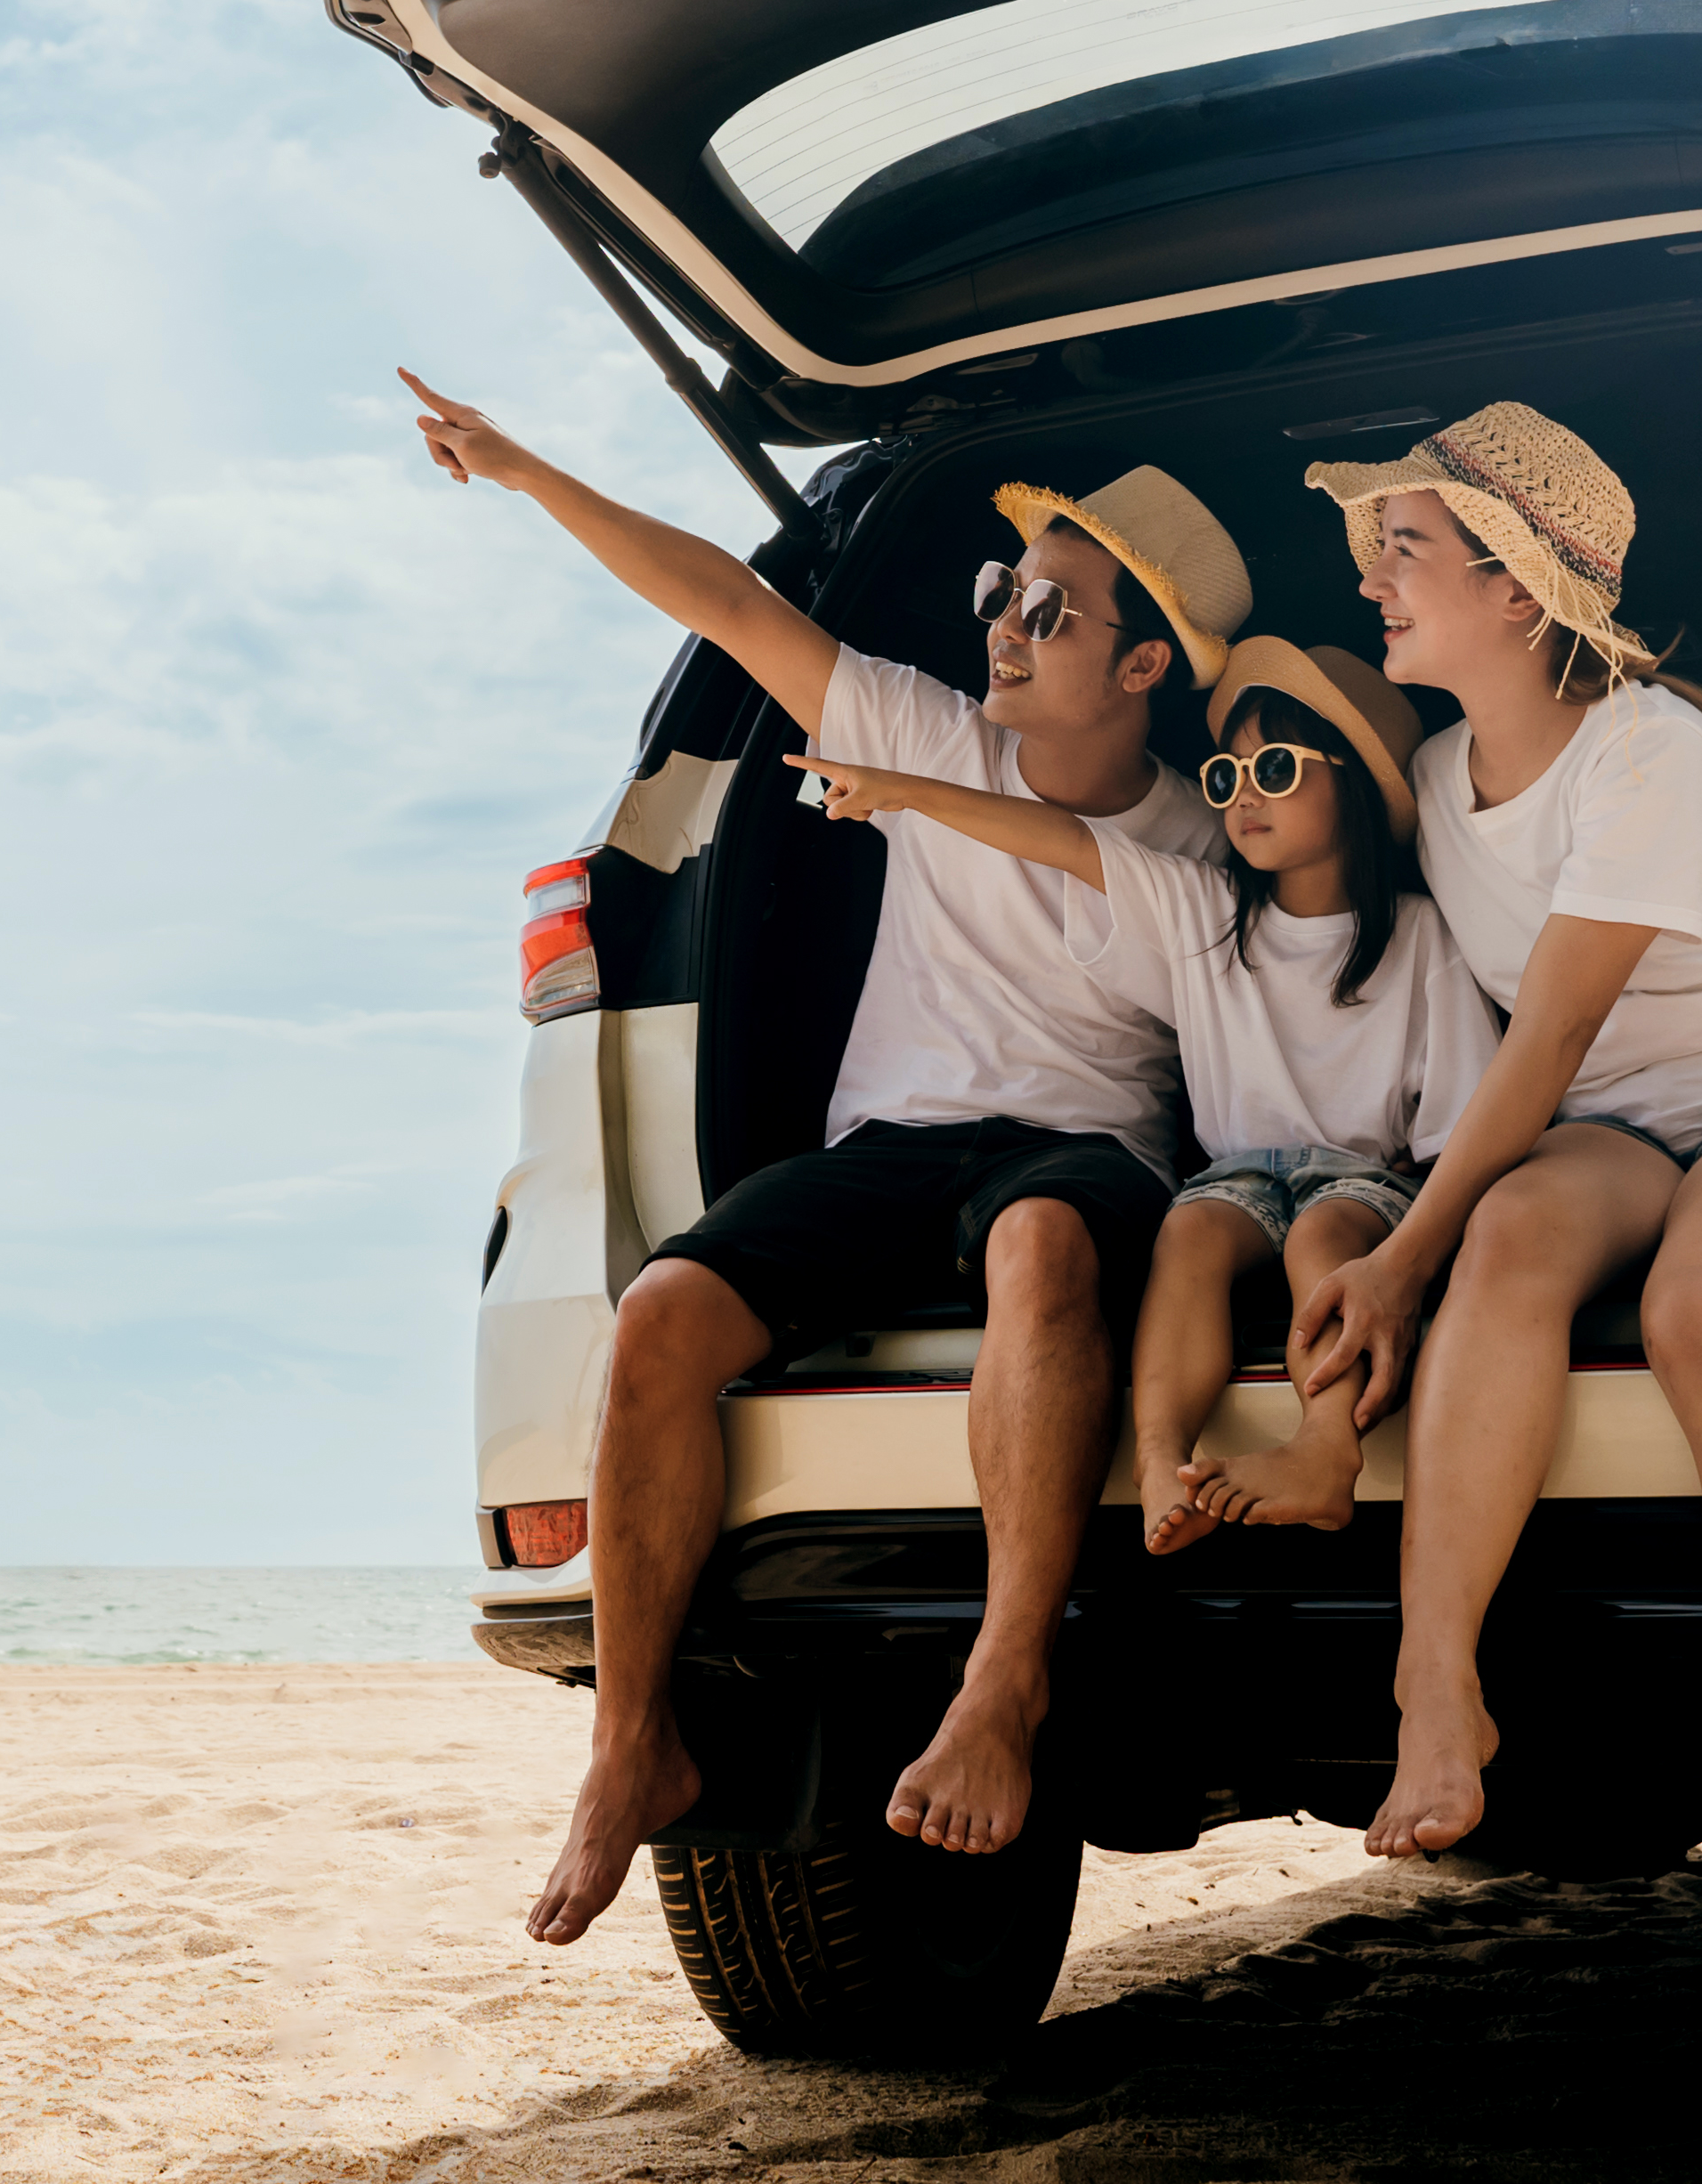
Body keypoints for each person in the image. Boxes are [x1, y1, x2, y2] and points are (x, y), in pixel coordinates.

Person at [399, 370, 1244, 1951]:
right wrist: (524, 469)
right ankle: (627, 1738)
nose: (1001, 622)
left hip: (1078, 1152)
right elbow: (723, 596)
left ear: (1141, 662)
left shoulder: (1202, 836)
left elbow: (1111, 865)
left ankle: (1001, 1680)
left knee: (1042, 1253)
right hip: (894, 1142)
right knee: (658, 1313)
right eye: (1003, 591)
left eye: (1050, 609)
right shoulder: (930, 721)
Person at [1278, 402, 1702, 2086]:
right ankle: (1436, 1684)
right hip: (1619, 1120)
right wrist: (1385, 1223)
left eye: (1406, 547)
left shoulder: (1648, 746)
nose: (1374, 576)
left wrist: (1393, 1254)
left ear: (1515, 589)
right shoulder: (1432, 777)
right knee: (1508, 1238)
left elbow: (1551, 1033)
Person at [788, 635, 1498, 1554]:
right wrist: (909, 791)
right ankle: (1162, 1457)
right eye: (1225, 773)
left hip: (1364, 1181)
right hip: (1235, 1181)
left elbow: (1463, 1122)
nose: (1242, 791)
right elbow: (1065, 843)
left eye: (1274, 767)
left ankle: (1325, 1450)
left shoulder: (1419, 935)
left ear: (1354, 786)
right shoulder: (1203, 911)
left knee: (1324, 1232)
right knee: (1191, 1232)